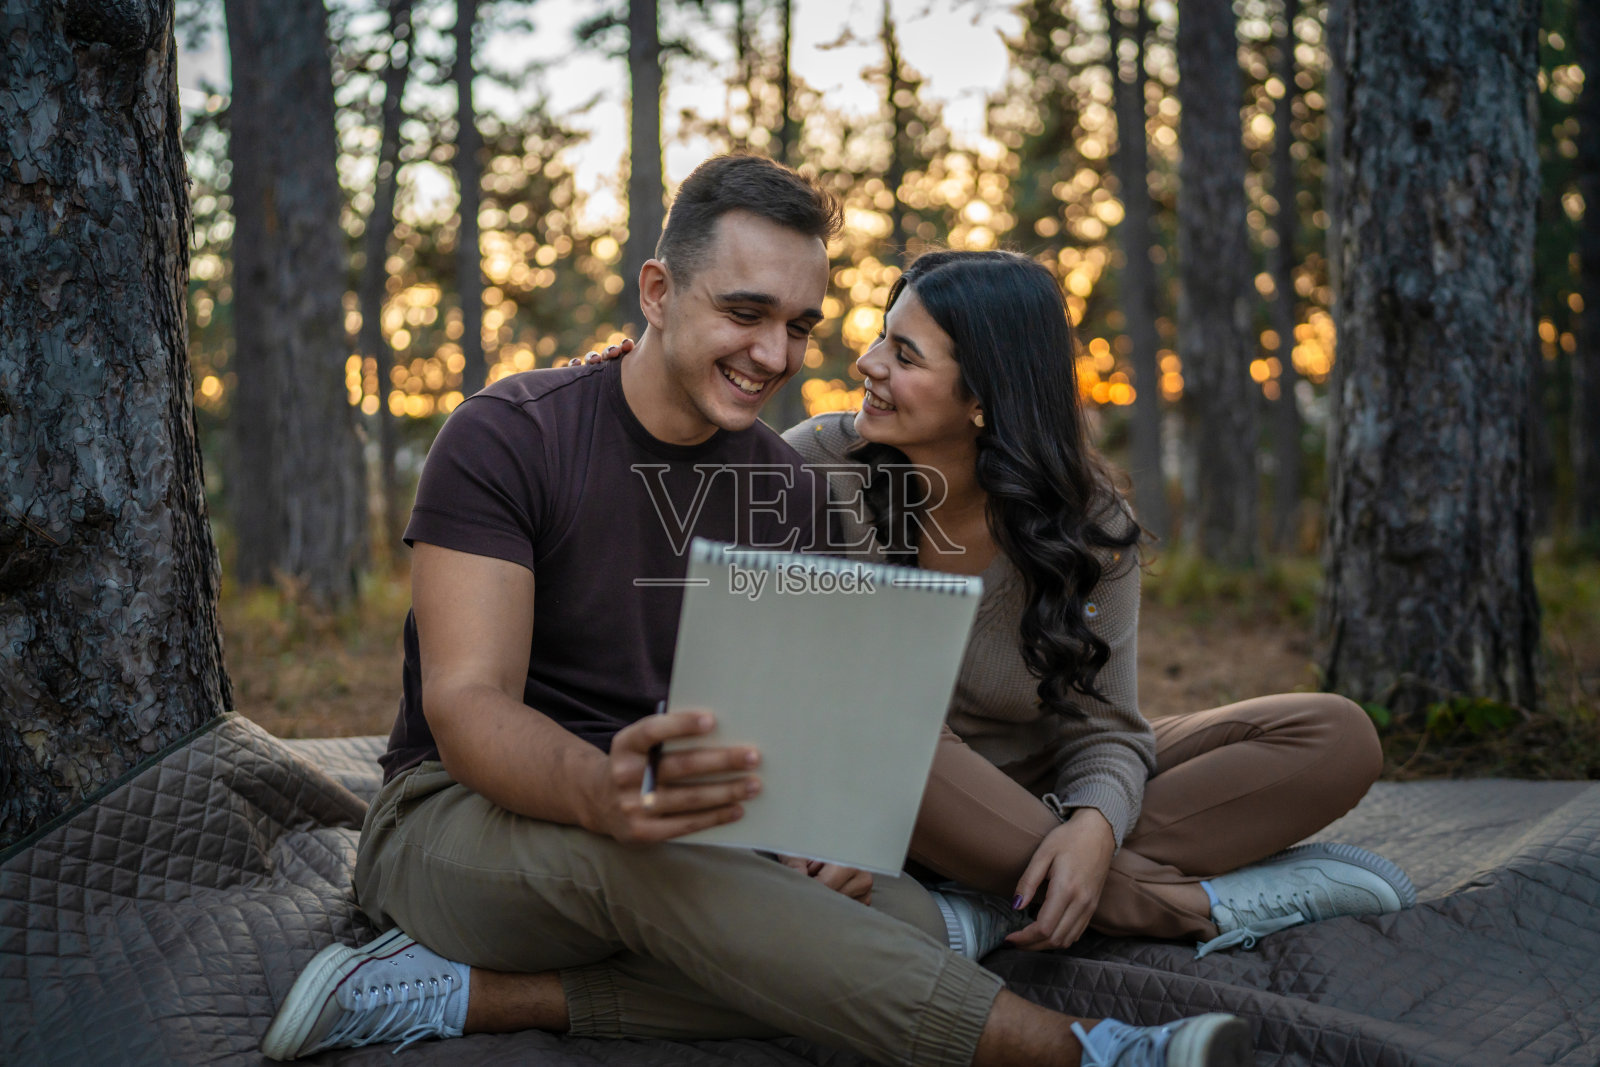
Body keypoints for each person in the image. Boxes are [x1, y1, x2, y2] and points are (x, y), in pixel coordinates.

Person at [260, 156, 1255, 1067]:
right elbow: (468, 709)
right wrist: (608, 791)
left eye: (800, 324)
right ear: (657, 291)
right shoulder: (506, 436)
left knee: (902, 922)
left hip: (692, 834)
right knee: (660, 863)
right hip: (461, 820)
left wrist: (821, 838)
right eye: (745, 311)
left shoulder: (790, 493)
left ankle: (476, 996)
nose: (774, 352)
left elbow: (804, 728)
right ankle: (1090, 1050)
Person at [584, 248, 1415, 961]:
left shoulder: (1089, 525)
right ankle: (1187, 906)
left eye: (904, 354)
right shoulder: (812, 468)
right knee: (893, 719)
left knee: (1333, 734)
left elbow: (1108, 729)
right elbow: (773, 686)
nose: (867, 362)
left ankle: (998, 895)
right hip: (886, 789)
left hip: (1034, 783)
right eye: (881, 335)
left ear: (982, 397)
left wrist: (1091, 827)